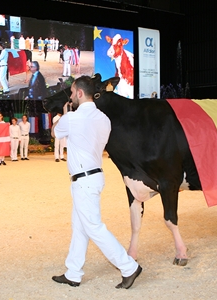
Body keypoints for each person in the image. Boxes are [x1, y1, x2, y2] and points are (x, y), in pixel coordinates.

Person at [51, 75, 141, 289]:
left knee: (93, 227)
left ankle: (129, 267)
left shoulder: (71, 118)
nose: (71, 96)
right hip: (95, 175)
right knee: (80, 226)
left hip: (83, 179)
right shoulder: (104, 119)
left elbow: (55, 132)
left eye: (72, 93)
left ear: (80, 93)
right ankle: (73, 272)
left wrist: (63, 115)